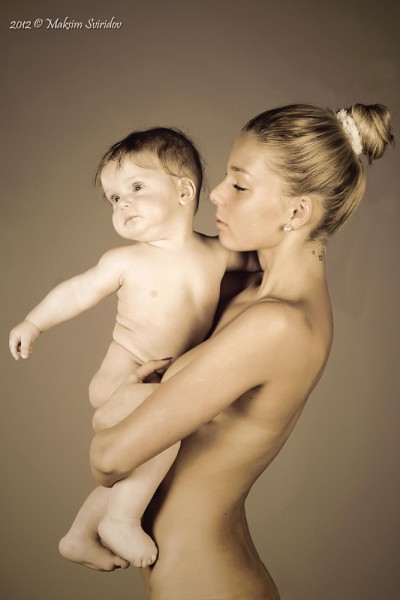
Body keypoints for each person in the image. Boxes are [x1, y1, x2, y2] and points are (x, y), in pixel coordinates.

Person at [89, 103, 394, 599]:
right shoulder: (245, 290)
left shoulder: (278, 324)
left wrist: (122, 400)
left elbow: (108, 459)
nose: (215, 193)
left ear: (297, 212)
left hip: (208, 583)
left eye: (240, 184)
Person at [8, 127, 257, 570]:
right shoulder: (126, 260)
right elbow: (77, 291)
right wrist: (34, 323)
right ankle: (121, 520)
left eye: (136, 188)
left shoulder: (216, 253)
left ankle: (79, 535)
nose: (122, 203)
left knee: (142, 458)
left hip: (159, 381)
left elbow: (263, 259)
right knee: (165, 433)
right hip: (121, 378)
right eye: (114, 198)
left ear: (184, 191)